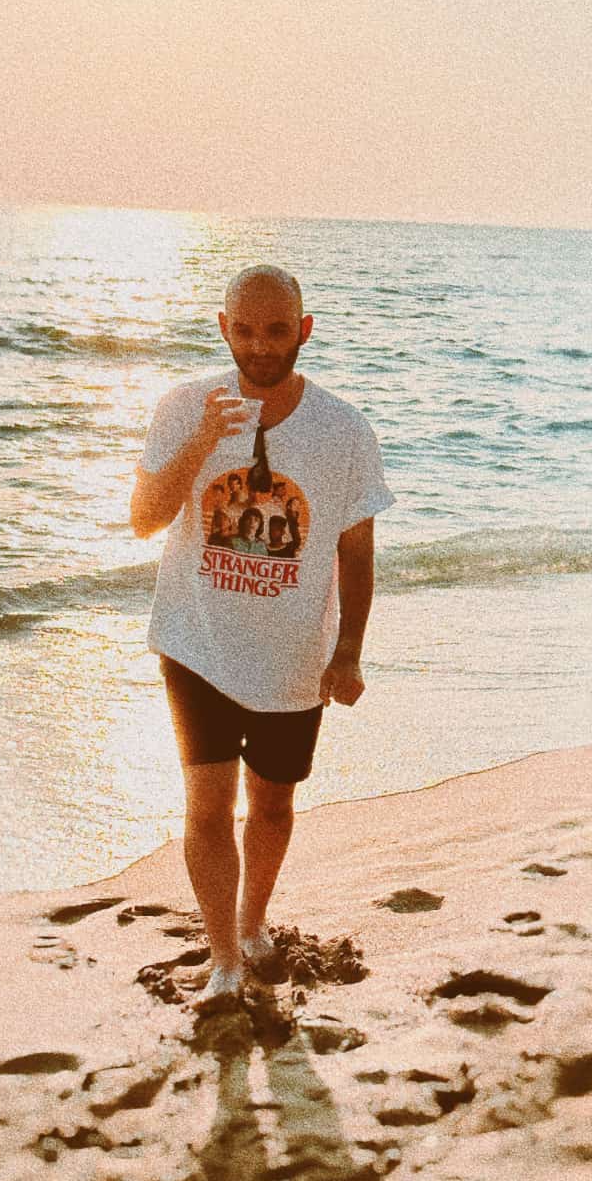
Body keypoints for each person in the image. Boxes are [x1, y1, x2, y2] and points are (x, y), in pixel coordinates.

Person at [129, 264, 395, 1004]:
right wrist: (203, 441)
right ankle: (223, 962)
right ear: (223, 329)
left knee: (272, 805)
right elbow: (145, 518)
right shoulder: (186, 406)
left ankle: (251, 924)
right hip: (196, 639)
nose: (260, 347)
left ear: (303, 331)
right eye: (244, 330)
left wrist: (348, 652)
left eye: (277, 330)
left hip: (292, 655)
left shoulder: (344, 431)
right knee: (206, 805)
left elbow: (357, 553)